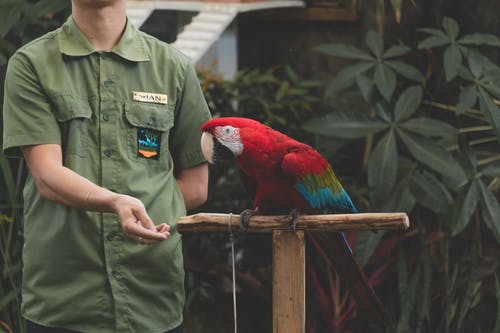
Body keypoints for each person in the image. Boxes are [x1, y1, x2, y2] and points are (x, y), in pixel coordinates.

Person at [2, 0, 212, 332]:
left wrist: (147, 219)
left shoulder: (174, 67)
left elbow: (197, 186)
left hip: (152, 295)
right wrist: (117, 203)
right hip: (65, 300)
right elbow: (46, 174)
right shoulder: (32, 64)